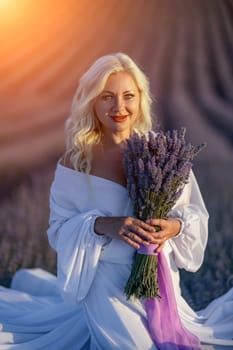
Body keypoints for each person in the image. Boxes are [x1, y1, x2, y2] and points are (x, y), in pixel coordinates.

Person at [0, 52, 232, 350]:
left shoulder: (162, 154)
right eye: (107, 97)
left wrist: (173, 227)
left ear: (140, 99)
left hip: (158, 279)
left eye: (128, 96)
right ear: (92, 102)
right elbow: (58, 231)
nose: (119, 107)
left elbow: (194, 215)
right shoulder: (76, 162)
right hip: (105, 281)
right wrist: (102, 225)